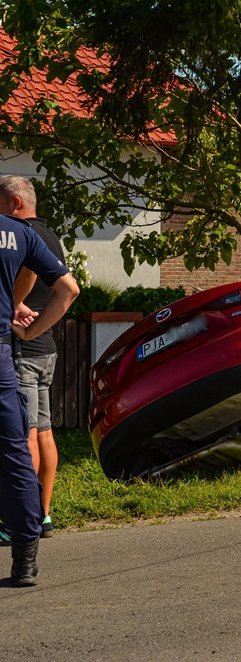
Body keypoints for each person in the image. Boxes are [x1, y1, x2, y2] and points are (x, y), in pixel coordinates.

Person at [0, 175, 79, 587]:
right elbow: (67, 288)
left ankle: (19, 525)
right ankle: (34, 535)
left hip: (22, 352)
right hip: (27, 351)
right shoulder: (35, 234)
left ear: (13, 201)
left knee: (24, 439)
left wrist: (16, 308)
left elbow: (34, 279)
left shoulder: (21, 230)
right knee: (31, 440)